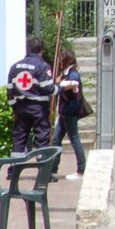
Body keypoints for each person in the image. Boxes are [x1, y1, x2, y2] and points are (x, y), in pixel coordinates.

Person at [6, 36, 55, 154]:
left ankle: (14, 170)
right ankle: (43, 169)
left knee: (19, 139)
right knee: (42, 138)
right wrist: (59, 88)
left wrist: (14, 108)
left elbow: (10, 91)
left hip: (21, 108)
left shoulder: (15, 67)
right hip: (39, 108)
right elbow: (48, 88)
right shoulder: (42, 66)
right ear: (42, 50)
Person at [52, 49, 87, 180]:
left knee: (74, 139)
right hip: (64, 113)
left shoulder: (72, 74)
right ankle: (52, 168)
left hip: (69, 113)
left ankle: (81, 169)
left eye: (61, 58)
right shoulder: (67, 73)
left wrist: (59, 83)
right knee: (56, 140)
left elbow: (73, 83)